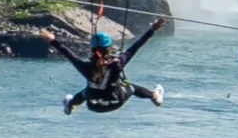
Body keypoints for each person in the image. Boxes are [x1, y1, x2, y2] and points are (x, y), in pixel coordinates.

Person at [40, 17, 168, 114]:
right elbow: (135, 47)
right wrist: (152, 29)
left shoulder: (85, 67)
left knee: (87, 92)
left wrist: (52, 39)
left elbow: (68, 53)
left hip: (94, 106)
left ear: (92, 48)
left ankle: (70, 105)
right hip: (115, 102)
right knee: (131, 88)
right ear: (109, 47)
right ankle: (155, 97)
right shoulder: (117, 63)